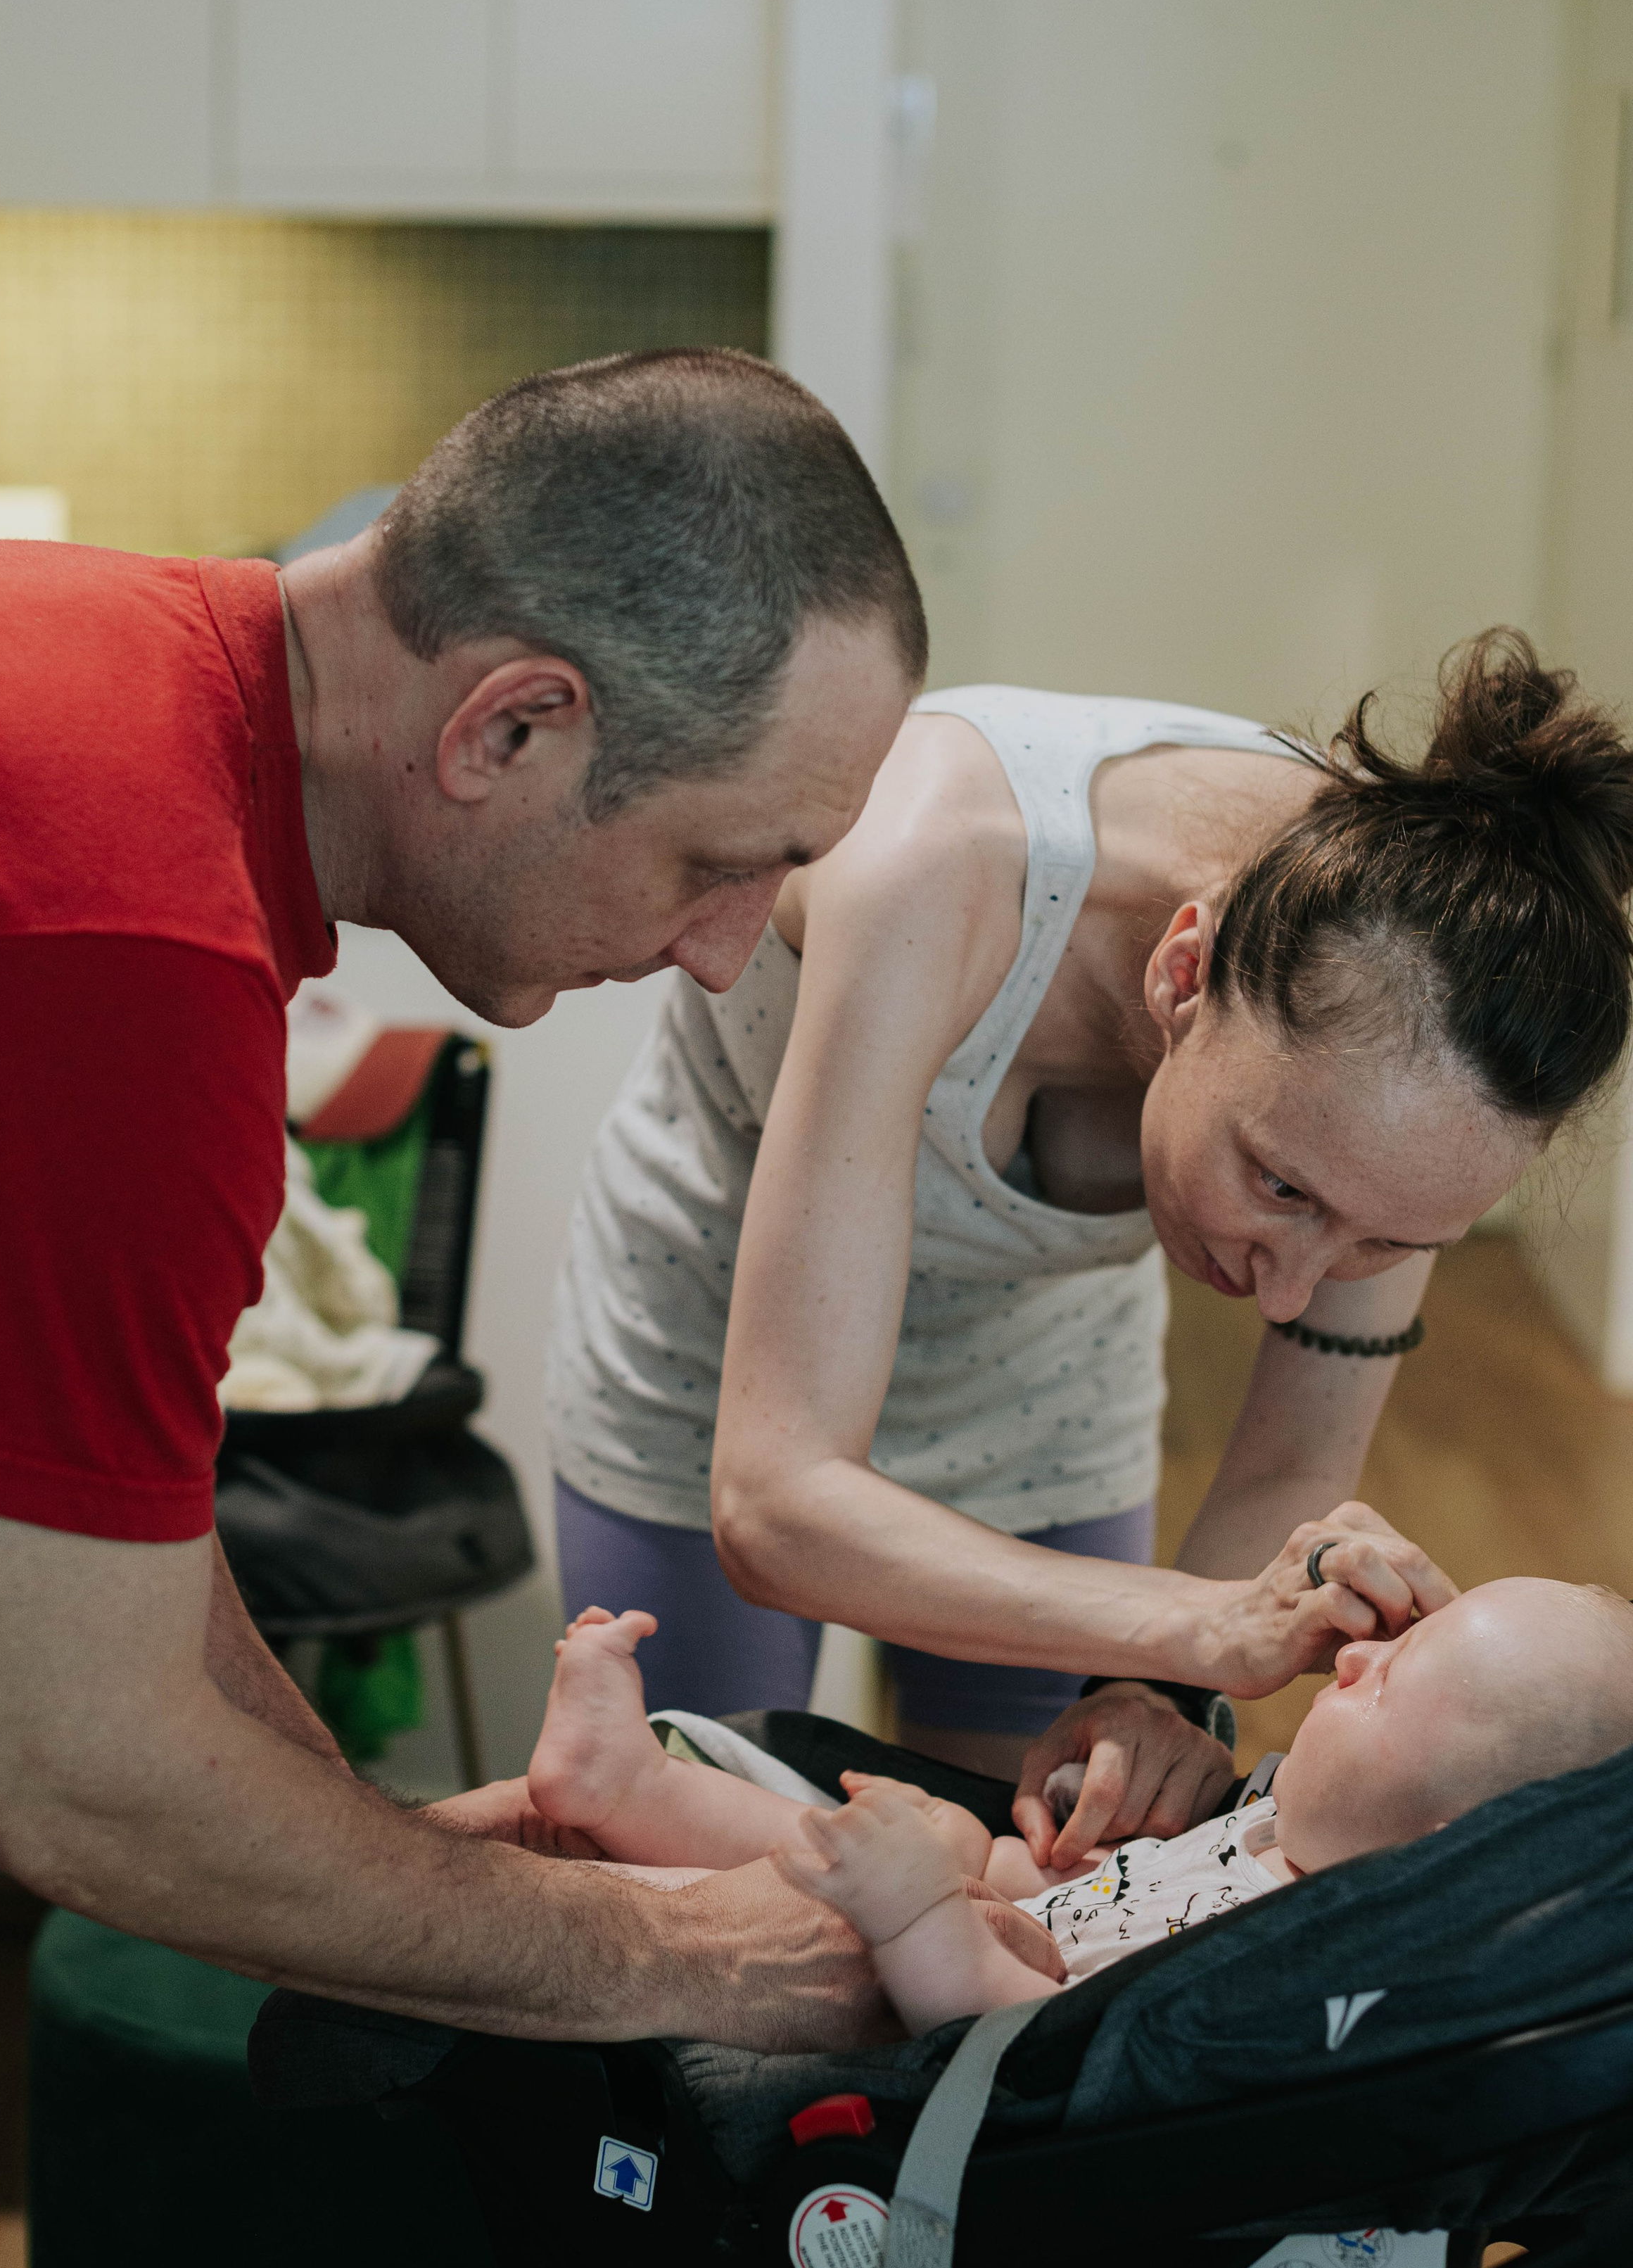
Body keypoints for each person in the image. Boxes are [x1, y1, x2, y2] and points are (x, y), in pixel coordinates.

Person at [0, 349, 930, 2268]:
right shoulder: (115, 938)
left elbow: (109, 1548)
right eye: (721, 858)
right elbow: (74, 1771)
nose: (725, 950)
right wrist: (684, 1956)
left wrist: (389, 1855)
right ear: (510, 723)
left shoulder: (112, 667)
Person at [547, 637, 1633, 1867]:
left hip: (1044, 1375)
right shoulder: (934, 863)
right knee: (681, 1848)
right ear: (1184, 972)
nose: (1290, 1291)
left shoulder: (1435, 1013)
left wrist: (1158, 1691)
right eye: (1277, 1185)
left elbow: (1295, 1461)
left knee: (1031, 1871)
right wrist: (1201, 1626)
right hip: (720, 1339)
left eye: (1385, 1240)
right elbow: (776, 1504)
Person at [523, 1582, 1633, 2036]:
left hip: (955, 2004)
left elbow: (1036, 2041)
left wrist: (920, 1915)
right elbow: (1081, 1897)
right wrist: (996, 1862)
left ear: (1452, 1854)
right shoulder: (1277, 1832)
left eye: (1391, 1682)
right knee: (954, 1840)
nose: (1354, 1659)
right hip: (1019, 1910)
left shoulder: (1288, 1972)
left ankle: (611, 1871)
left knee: (851, 1918)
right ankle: (630, 1787)